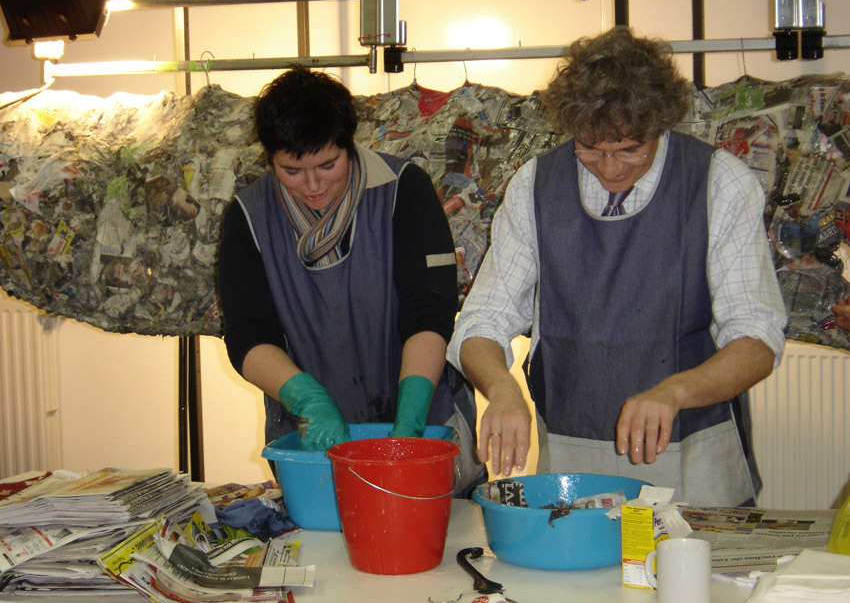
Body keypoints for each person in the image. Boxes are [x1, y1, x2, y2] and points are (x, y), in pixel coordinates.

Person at [447, 27, 788, 507]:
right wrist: (501, 388)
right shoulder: (535, 185)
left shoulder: (717, 182)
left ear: (661, 124)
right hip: (571, 459)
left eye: (631, 149)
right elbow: (484, 320)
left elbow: (757, 339)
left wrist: (674, 391)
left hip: (694, 460)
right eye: (589, 149)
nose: (609, 168)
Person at [217, 66, 483, 494]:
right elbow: (248, 337)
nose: (313, 185)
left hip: (425, 420)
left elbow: (429, 315)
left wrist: (410, 422)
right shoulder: (249, 217)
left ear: (349, 145)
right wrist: (309, 400)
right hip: (314, 445)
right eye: (292, 171)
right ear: (271, 158)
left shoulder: (404, 191)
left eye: (328, 165)